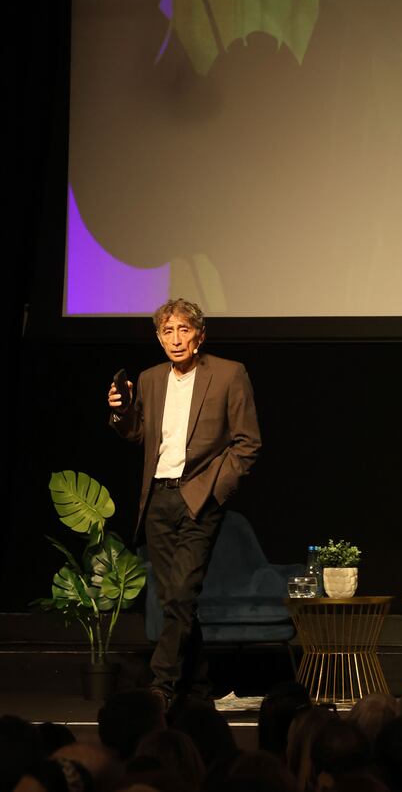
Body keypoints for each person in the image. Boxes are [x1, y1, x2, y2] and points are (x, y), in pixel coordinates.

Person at [108, 298, 261, 707]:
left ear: (199, 335)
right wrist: (122, 414)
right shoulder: (151, 379)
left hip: (199, 498)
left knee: (180, 595)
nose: (176, 339)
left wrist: (214, 489)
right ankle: (200, 689)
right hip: (157, 497)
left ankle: (162, 687)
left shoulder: (229, 374)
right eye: (167, 331)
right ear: (159, 338)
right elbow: (142, 434)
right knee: (172, 599)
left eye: (183, 330)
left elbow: (247, 443)